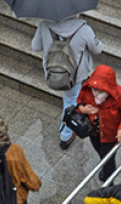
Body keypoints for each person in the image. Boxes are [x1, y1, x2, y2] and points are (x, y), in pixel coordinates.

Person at [30, 15, 103, 150]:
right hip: (75, 76)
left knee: (70, 100)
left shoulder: (44, 25)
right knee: (70, 103)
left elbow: (35, 46)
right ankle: (66, 135)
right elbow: (98, 49)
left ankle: (72, 125)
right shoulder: (84, 29)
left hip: (53, 72)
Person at [77, 64, 121, 183]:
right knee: (100, 152)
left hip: (110, 135)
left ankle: (108, 180)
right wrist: (83, 109)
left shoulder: (120, 95)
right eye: (95, 90)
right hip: (94, 132)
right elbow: (79, 101)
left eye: (100, 91)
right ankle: (106, 169)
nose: (96, 93)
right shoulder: (87, 90)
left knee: (108, 158)